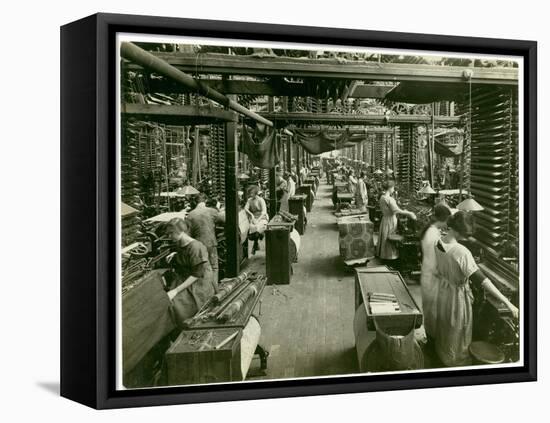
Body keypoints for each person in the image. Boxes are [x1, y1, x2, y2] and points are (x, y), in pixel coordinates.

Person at [432, 211, 519, 366]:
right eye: (466, 234)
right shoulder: (461, 252)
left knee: (447, 327)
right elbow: (482, 281)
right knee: (458, 331)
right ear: (460, 231)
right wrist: (508, 303)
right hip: (456, 297)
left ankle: (443, 356)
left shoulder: (438, 242)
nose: (467, 238)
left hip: (444, 291)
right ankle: (457, 364)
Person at [164, 218, 217, 324]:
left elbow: (197, 274)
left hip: (200, 282)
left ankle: (183, 327)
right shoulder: (180, 243)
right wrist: (175, 255)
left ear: (181, 231)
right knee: (166, 298)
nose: (169, 237)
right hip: (187, 276)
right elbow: (185, 256)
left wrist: (176, 291)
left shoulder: (196, 247)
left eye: (171, 233)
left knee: (177, 305)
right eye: (167, 234)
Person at [419, 203, 452, 343]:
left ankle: (431, 339)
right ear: (443, 219)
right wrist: (445, 276)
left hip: (427, 273)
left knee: (430, 310)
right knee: (432, 312)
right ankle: (432, 343)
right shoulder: (432, 234)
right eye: (447, 221)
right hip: (431, 276)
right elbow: (434, 262)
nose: (447, 225)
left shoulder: (432, 230)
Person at [185, 193, 225, 285]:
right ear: (205, 201)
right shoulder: (212, 211)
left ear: (195, 202)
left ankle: (204, 289)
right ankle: (214, 289)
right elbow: (225, 220)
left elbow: (188, 234)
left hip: (198, 246)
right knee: (214, 267)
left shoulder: (190, 215)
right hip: (211, 243)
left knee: (201, 268)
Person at [377, 180, 416, 261]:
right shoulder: (389, 199)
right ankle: (390, 258)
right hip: (390, 220)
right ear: (390, 188)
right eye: (393, 188)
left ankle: (384, 255)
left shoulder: (382, 197)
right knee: (389, 238)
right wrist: (410, 213)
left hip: (385, 219)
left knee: (385, 236)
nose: (394, 190)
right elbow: (397, 211)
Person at [244, 185, 269, 254]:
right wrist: (251, 215)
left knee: (258, 228)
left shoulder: (261, 200)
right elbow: (245, 208)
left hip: (262, 217)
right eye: (250, 193)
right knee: (251, 228)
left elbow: (264, 212)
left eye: (252, 193)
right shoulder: (249, 200)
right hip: (254, 217)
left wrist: (257, 220)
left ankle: (255, 244)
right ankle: (257, 241)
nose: (250, 194)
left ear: (256, 193)